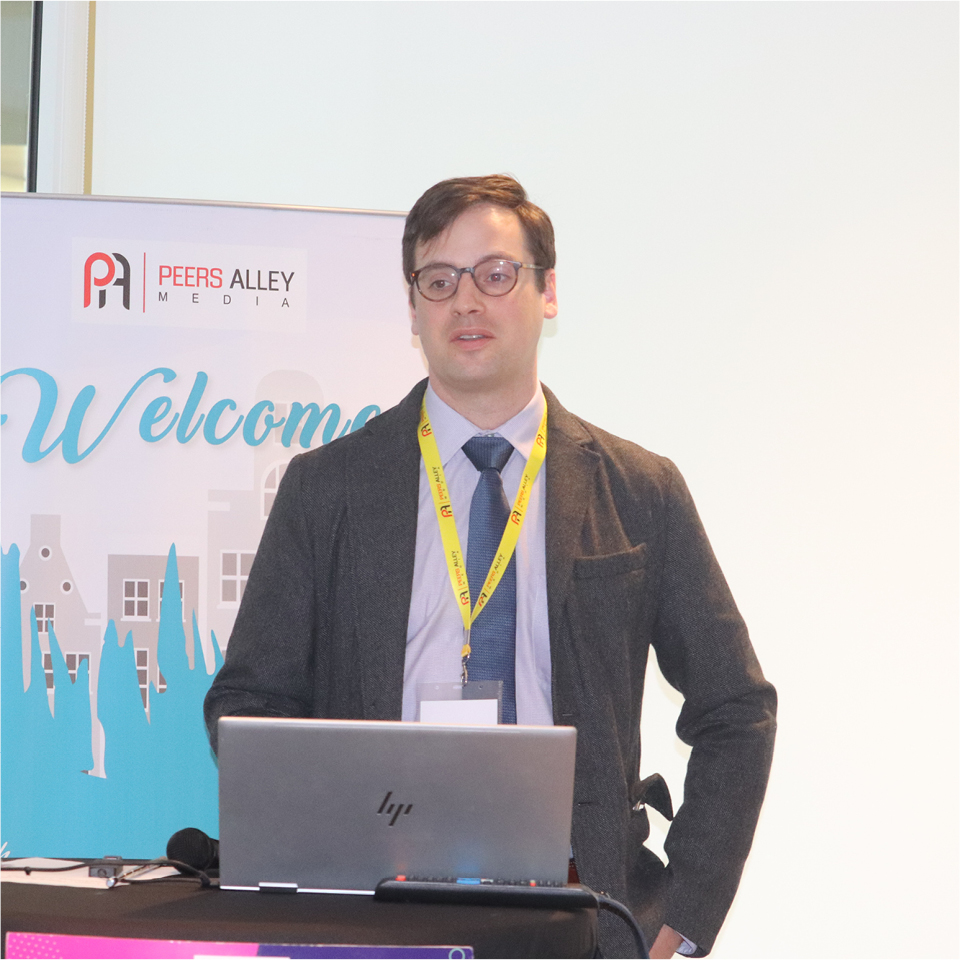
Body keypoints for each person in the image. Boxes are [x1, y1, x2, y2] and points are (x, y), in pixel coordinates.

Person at [204, 175, 776, 958]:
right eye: (438, 281)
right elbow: (249, 702)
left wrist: (682, 914)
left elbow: (736, 707)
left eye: (496, 274)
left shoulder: (640, 490)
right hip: (370, 917)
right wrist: (323, 843)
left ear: (548, 293)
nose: (466, 301)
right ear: (413, 309)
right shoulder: (327, 487)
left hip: (578, 912)